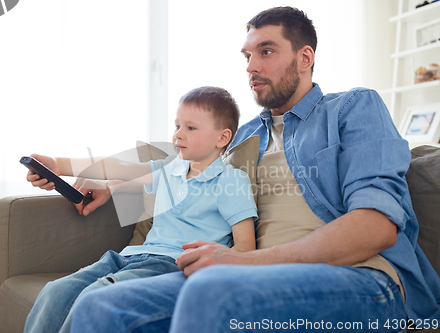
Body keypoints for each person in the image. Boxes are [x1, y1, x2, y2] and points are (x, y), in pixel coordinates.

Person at [68, 6, 440, 333]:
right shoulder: (242, 137)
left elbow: (375, 227)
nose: (251, 66)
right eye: (247, 55)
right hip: (250, 275)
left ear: (305, 57)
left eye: (266, 51)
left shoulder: (352, 108)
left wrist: (243, 261)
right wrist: (118, 190)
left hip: (363, 278)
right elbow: (187, 177)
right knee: (101, 305)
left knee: (210, 292)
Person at [23, 86, 258, 333]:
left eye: (191, 128)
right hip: (130, 256)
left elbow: (245, 247)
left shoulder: (231, 180)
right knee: (55, 291)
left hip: (170, 265)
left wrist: (211, 260)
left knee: (96, 295)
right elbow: (120, 166)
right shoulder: (169, 168)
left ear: (222, 137)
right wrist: (58, 165)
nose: (178, 135)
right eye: (177, 126)